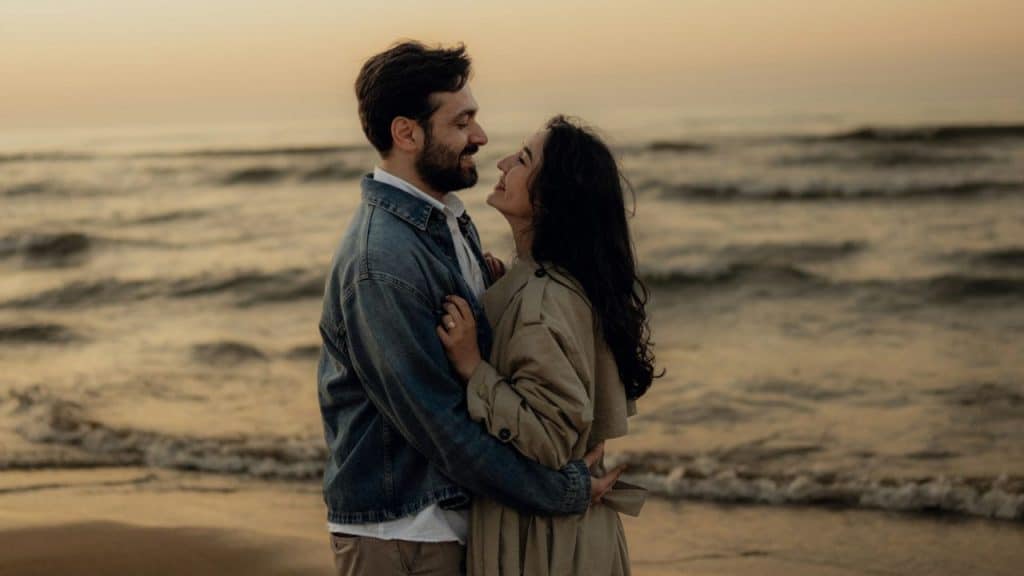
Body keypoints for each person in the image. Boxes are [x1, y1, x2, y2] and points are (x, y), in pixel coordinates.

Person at [316, 42, 621, 576]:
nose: (480, 136)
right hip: (405, 537)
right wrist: (565, 490)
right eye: (461, 122)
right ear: (407, 133)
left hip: (443, 526)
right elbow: (442, 428)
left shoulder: (447, 221)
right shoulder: (381, 263)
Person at [437, 116, 658, 575]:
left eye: (523, 159)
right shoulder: (564, 280)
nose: (502, 163)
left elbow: (550, 439)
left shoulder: (545, 298)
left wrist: (473, 366)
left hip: (541, 542)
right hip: (570, 533)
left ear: (551, 196)